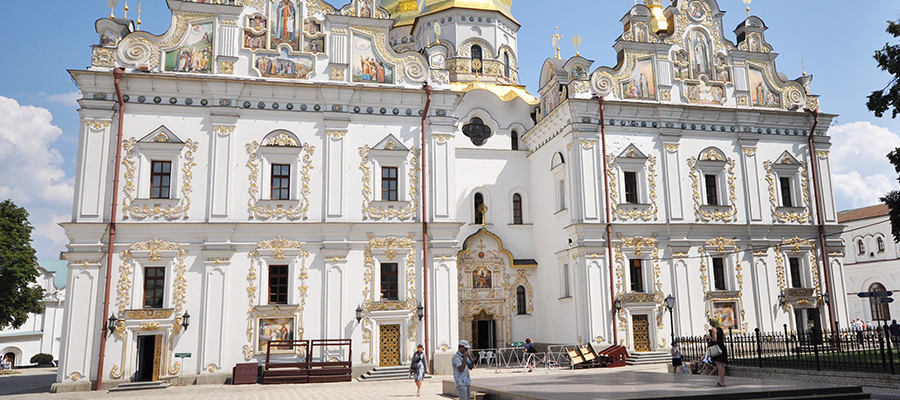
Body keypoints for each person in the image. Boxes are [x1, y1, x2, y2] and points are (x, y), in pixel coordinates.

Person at [709, 318, 727, 387]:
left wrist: (709, 338)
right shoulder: (720, 329)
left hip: (717, 348)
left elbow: (714, 339)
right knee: (722, 365)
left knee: (719, 366)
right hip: (721, 346)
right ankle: (723, 380)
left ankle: (722, 381)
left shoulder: (714, 329)